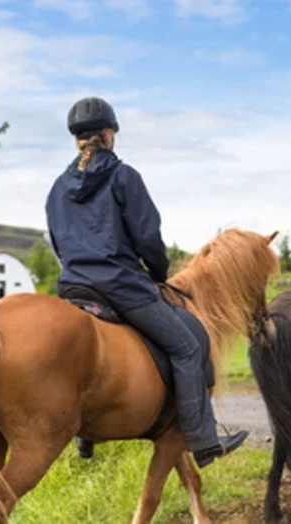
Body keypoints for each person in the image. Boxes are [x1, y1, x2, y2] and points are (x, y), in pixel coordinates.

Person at [46, 96, 247, 469]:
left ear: (77, 139)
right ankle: (204, 441)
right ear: (109, 134)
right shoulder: (124, 177)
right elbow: (148, 238)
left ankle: (84, 438)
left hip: (73, 288)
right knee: (188, 345)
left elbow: (58, 242)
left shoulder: (58, 187)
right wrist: (157, 274)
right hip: (121, 287)